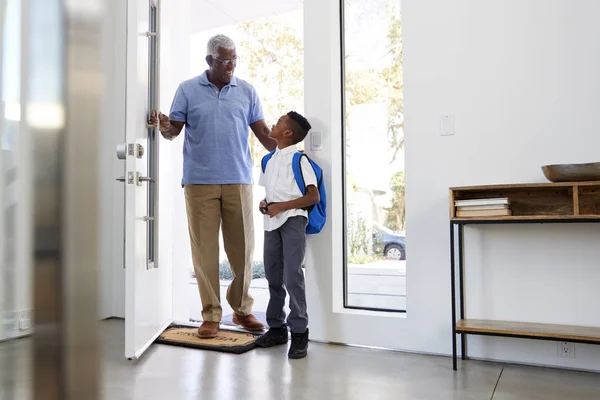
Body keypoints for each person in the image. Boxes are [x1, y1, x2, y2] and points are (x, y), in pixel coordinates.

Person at [149, 34, 276, 339]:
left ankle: (242, 310)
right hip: (199, 182)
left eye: (234, 59)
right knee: (205, 251)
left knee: (243, 251)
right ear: (209, 61)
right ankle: (211, 315)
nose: (231, 65)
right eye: (224, 60)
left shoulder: (247, 91)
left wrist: (291, 145)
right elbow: (173, 132)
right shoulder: (188, 90)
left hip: (239, 180)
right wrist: (164, 124)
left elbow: (264, 135)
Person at [255, 111, 319, 359]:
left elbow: (313, 197)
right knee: (272, 275)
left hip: (293, 221)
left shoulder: (300, 160)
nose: (275, 123)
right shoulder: (267, 161)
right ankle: (277, 328)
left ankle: (300, 332)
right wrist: (264, 204)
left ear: (288, 133)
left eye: (280, 122)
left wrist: (281, 207)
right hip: (271, 223)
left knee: (292, 275)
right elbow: (269, 194)